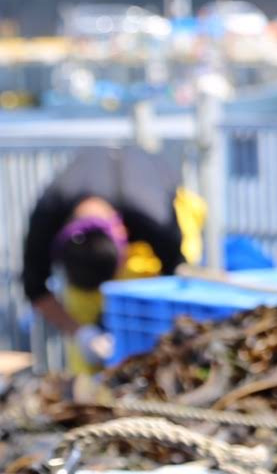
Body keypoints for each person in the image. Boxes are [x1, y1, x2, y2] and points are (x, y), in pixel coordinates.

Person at [22, 146, 204, 372]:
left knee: (157, 280)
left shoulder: (155, 220)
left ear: (122, 234)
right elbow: (35, 288)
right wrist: (83, 333)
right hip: (114, 204)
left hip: (166, 210)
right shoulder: (49, 212)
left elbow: (178, 276)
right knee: (83, 312)